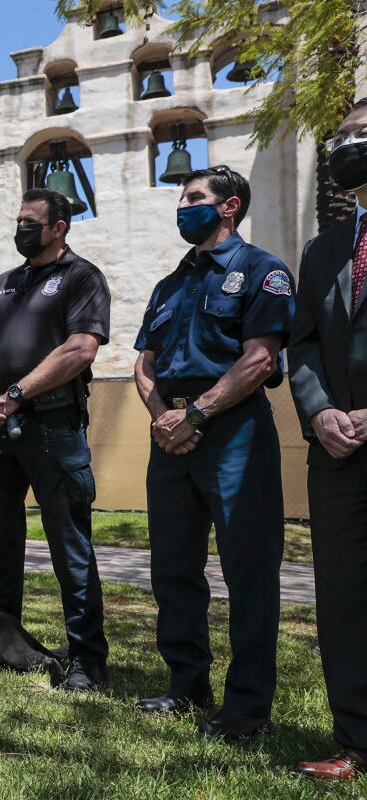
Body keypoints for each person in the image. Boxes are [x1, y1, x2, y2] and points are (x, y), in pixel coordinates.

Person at [132, 165, 292, 741]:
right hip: (169, 433)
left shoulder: (262, 271)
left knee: (249, 572)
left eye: (194, 198)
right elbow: (143, 363)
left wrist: (195, 415)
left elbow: (259, 360)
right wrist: (163, 420)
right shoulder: (170, 284)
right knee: (174, 568)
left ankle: (246, 709)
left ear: (229, 207)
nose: (182, 207)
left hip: (233, 433)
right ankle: (186, 685)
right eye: (181, 198)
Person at [0, 189, 111, 691]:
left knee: (70, 547)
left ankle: (87, 659)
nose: (21, 228)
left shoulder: (81, 277)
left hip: (53, 427)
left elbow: (81, 348)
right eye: (19, 220)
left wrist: (18, 392)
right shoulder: (5, 284)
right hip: (0, 430)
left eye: (32, 221)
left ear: (59, 227)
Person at [288, 98, 367, 781]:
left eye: (361, 134)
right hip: (338, 450)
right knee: (343, 595)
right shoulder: (325, 248)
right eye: (343, 136)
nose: (348, 145)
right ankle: (355, 743)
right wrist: (318, 412)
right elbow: (304, 342)